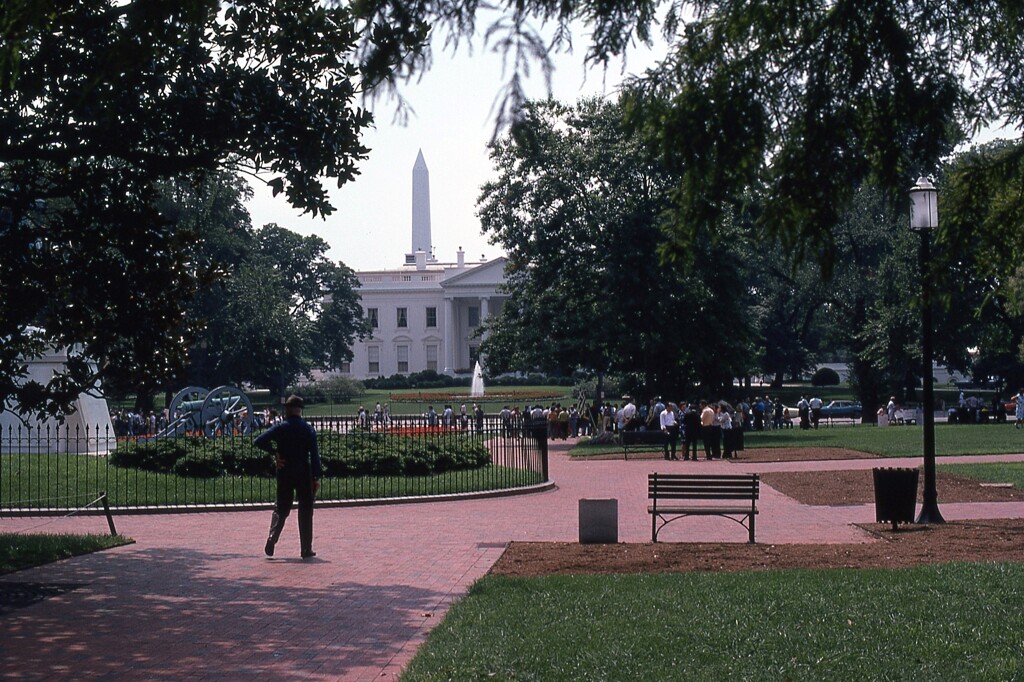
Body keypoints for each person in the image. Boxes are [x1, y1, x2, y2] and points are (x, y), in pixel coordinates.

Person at [256, 395, 321, 559]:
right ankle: (306, 548)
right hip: (303, 472)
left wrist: (275, 452)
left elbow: (259, 441)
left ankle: (272, 537)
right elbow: (314, 456)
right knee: (306, 509)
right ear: (300, 410)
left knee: (281, 506)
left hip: (284, 470)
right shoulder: (308, 429)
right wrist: (316, 477)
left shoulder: (280, 427)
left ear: (287, 409)